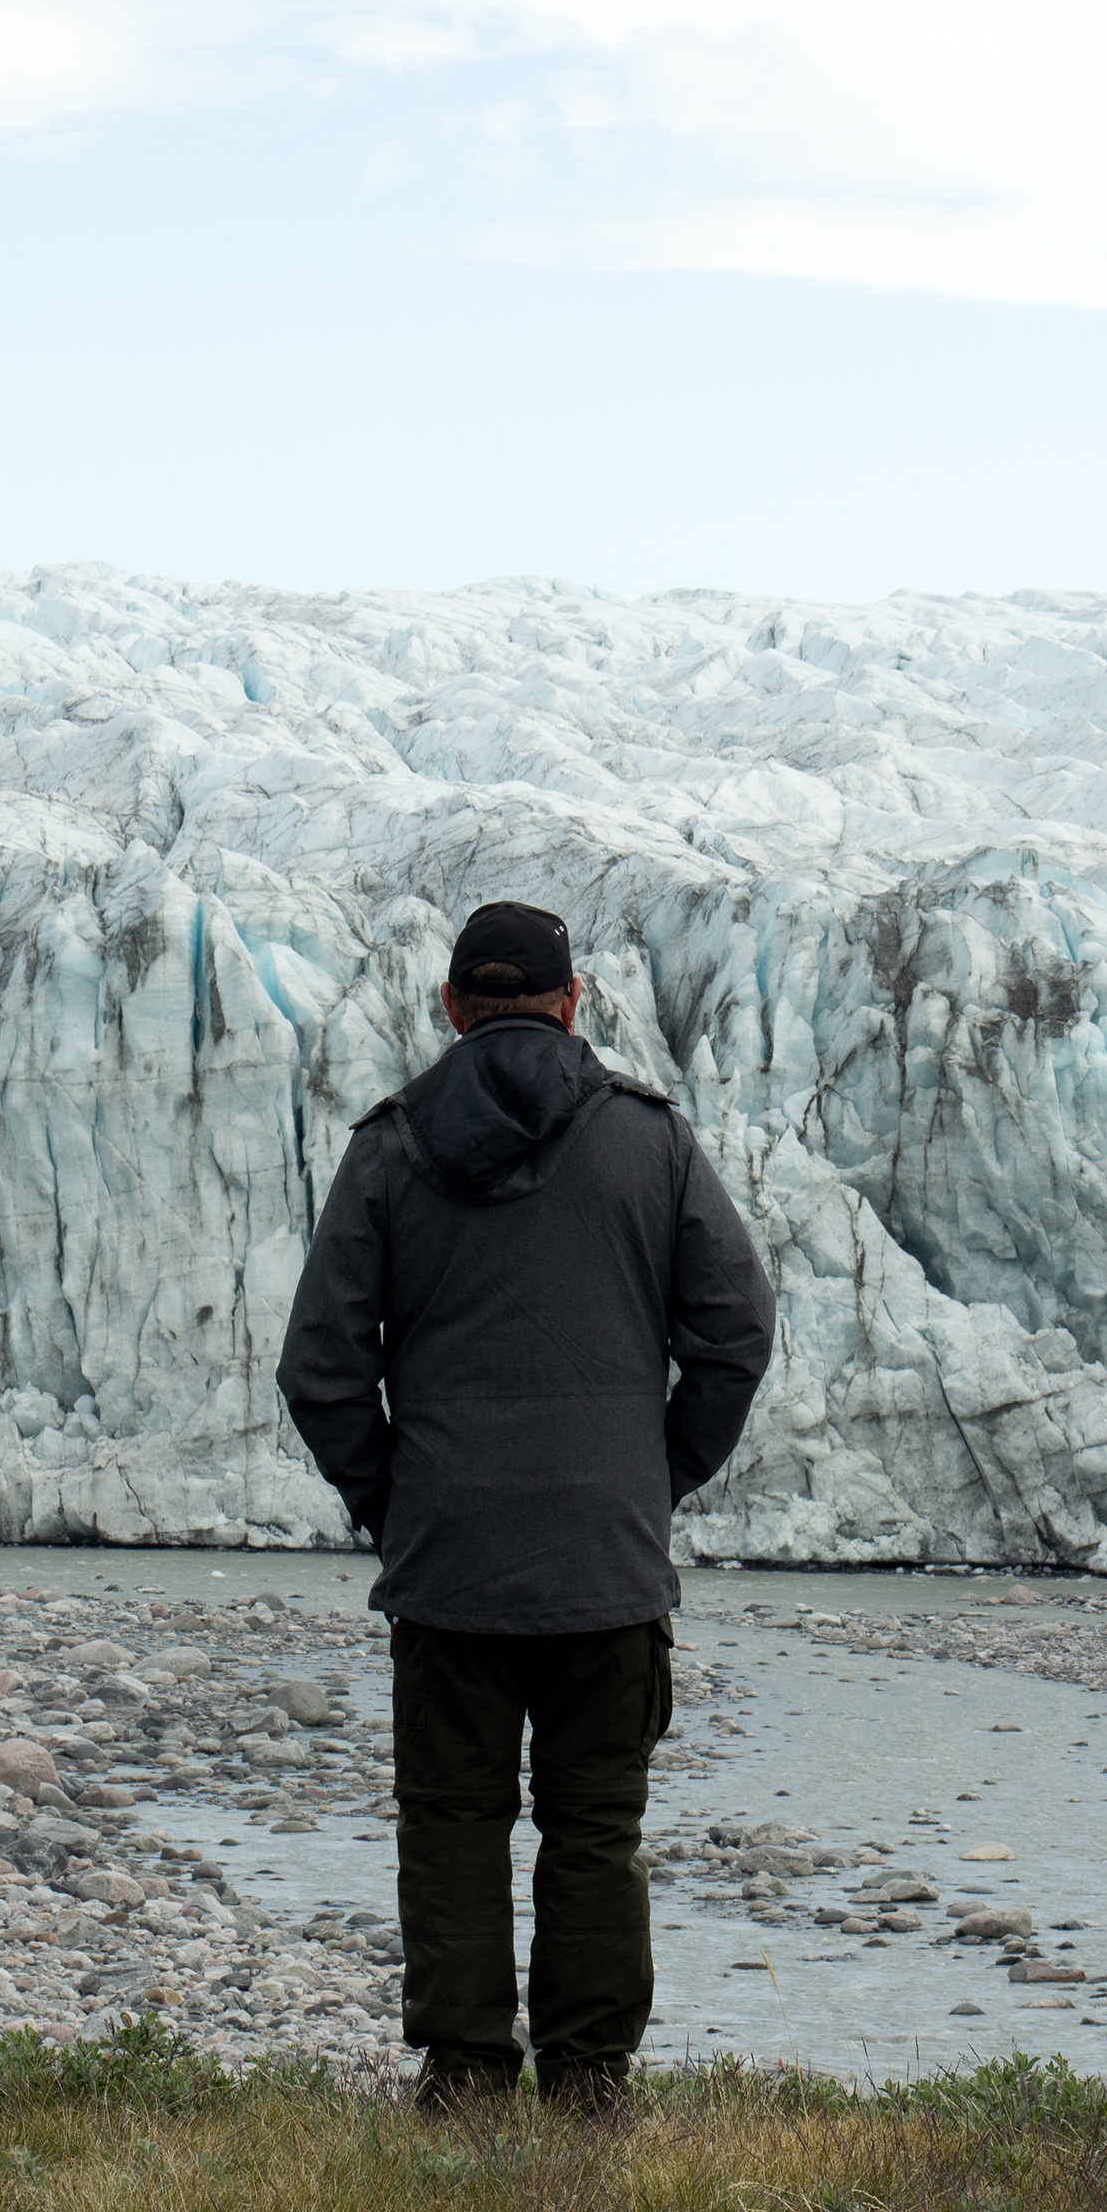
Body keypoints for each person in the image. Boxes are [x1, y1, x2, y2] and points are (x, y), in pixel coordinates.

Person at [275, 899, 777, 2112]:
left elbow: (321, 1364)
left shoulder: (390, 1149)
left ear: (450, 1006)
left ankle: (462, 2076)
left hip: (449, 1560)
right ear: (571, 1002)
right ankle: (590, 2082)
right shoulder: (649, 1145)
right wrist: (653, 1478)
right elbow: (736, 1333)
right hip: (605, 1564)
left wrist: (395, 1502)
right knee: (593, 1827)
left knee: (452, 1820)